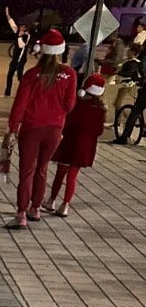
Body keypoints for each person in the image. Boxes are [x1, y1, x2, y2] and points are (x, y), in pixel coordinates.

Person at [6, 28, 77, 229]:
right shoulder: (69, 74)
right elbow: (70, 105)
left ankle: (21, 213)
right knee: (42, 168)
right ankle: (35, 208)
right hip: (54, 129)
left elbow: (20, 105)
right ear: (61, 50)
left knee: (26, 171)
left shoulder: (32, 75)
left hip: (31, 128)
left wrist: (13, 129)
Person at [47, 74, 107, 218]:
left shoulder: (77, 105)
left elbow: (67, 123)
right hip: (84, 148)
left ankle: (51, 200)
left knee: (60, 174)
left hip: (69, 143)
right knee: (72, 177)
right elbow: (99, 131)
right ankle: (65, 205)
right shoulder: (100, 109)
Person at [4, 7, 33, 97]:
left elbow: (21, 45)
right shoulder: (18, 32)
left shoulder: (27, 36)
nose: (20, 28)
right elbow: (12, 24)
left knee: (20, 77)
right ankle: (7, 93)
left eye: (22, 27)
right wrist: (7, 15)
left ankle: (27, 92)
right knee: (9, 75)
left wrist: (20, 36)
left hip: (21, 59)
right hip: (15, 58)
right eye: (20, 27)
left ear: (25, 29)